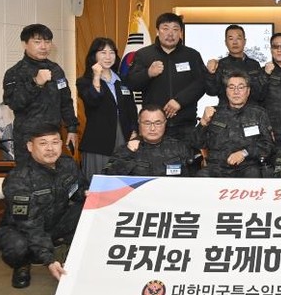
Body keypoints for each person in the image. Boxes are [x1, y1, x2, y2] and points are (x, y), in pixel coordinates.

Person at [0, 126, 88, 289]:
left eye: (55, 142)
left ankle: (71, 255)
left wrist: (86, 194)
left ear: (61, 144)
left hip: (55, 221)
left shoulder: (68, 164)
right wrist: (49, 260)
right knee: (16, 246)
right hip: (22, 229)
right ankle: (22, 264)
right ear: (30, 146)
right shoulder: (19, 178)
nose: (50, 148)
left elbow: (77, 190)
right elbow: (29, 225)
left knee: (86, 210)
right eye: (43, 143)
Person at [3, 24, 78, 164]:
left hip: (53, 138)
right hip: (28, 141)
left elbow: (66, 101)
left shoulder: (56, 69)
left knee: (55, 174)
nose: (44, 46)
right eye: (37, 42)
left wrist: (72, 128)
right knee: (28, 176)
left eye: (47, 42)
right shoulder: (15, 72)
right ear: (25, 44)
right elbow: (14, 103)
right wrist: (36, 83)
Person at [126, 13, 206, 142]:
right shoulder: (143, 54)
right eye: (165, 28)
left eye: (175, 29)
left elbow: (202, 83)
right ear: (157, 31)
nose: (170, 33)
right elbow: (131, 83)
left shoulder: (192, 55)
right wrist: (148, 73)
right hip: (154, 127)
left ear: (180, 33)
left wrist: (179, 101)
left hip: (185, 126)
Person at [76, 37, 138, 181]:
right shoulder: (84, 81)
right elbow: (93, 100)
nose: (108, 57)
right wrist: (96, 77)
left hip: (124, 136)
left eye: (111, 52)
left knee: (122, 181)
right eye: (103, 52)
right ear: (94, 56)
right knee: (99, 183)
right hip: (99, 141)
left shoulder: (122, 80)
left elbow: (131, 109)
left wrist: (135, 130)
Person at [192, 71, 274, 178]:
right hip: (217, 167)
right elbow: (196, 143)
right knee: (201, 176)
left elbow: (268, 145)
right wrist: (203, 122)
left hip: (247, 167)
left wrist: (244, 153)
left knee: (253, 175)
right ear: (226, 91)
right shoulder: (214, 113)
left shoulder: (259, 114)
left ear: (248, 91)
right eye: (231, 87)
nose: (236, 92)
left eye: (241, 87)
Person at [104, 105, 196, 177]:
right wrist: (128, 153)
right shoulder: (125, 149)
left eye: (158, 123)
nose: (152, 128)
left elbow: (192, 180)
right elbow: (107, 178)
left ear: (165, 123)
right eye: (147, 123)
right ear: (139, 123)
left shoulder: (179, 148)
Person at [205, 24, 262, 105]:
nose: (235, 42)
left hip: (251, 110)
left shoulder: (254, 64)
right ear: (226, 42)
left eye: (238, 38)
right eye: (231, 39)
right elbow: (211, 91)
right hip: (226, 110)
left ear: (244, 41)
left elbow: (260, 93)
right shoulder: (220, 64)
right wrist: (210, 74)